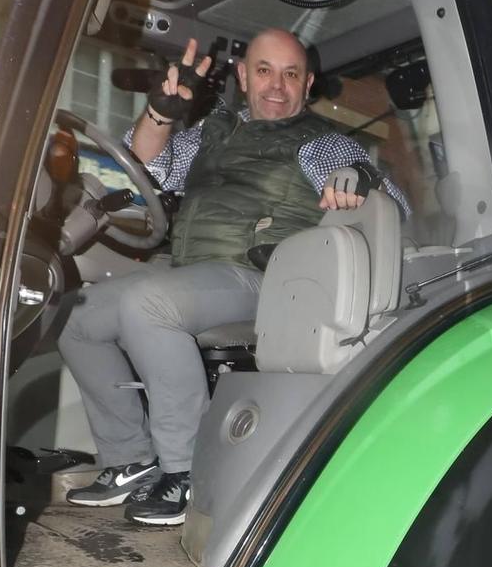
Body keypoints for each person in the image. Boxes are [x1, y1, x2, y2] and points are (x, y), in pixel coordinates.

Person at [62, 27, 407, 527]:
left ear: (307, 84)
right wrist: (159, 113)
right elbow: (147, 170)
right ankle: (130, 460)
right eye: (264, 70)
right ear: (243, 77)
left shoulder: (318, 143)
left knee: (148, 304)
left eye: (291, 74)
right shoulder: (212, 134)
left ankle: (184, 471)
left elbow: (394, 202)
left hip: (261, 279)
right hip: (192, 274)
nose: (276, 85)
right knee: (77, 315)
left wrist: (360, 178)